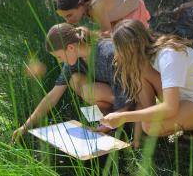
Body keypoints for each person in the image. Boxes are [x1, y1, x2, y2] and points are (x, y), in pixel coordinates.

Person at [12, 23, 161, 145]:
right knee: (75, 79)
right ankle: (102, 123)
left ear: (70, 47)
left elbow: (129, 94)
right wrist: (26, 126)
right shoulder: (73, 60)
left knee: (88, 89)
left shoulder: (107, 53)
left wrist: (116, 119)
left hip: (132, 101)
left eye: (59, 56)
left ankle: (115, 124)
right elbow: (53, 95)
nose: (59, 61)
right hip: (112, 99)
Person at [100, 19, 193, 136]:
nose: (117, 55)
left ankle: (191, 134)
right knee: (139, 72)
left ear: (129, 48)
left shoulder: (168, 55)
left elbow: (170, 108)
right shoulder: (145, 60)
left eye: (119, 50)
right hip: (184, 99)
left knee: (149, 125)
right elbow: (144, 105)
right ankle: (150, 135)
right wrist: (130, 129)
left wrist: (124, 117)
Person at [54, 0, 151, 37]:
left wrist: (88, 34)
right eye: (63, 16)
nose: (67, 21)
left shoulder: (96, 6)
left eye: (69, 15)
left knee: (133, 46)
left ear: (79, 5)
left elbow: (107, 34)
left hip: (132, 9)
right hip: (117, 10)